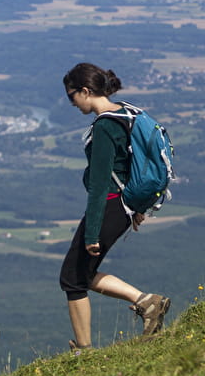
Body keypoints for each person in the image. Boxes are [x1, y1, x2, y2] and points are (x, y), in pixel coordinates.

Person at [59, 62, 171, 349]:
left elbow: (99, 185)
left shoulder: (106, 126)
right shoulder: (126, 112)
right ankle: (146, 303)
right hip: (121, 207)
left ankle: (84, 351)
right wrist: (137, 207)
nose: (71, 103)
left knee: (72, 280)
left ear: (85, 91)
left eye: (72, 96)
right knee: (79, 275)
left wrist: (92, 232)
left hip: (108, 206)